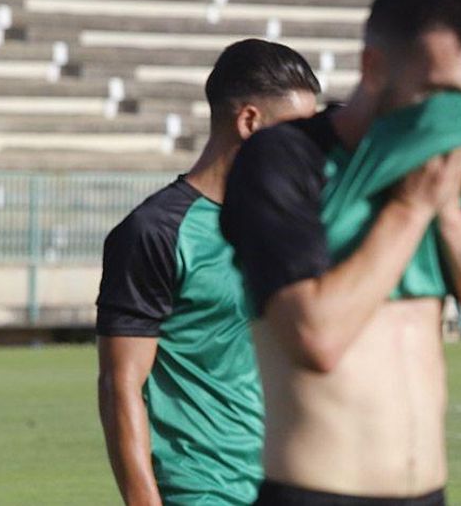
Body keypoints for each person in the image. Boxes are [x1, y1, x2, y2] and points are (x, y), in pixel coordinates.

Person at [219, 0, 461, 505]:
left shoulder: (447, 179)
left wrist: (449, 213)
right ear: (373, 68)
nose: (454, 120)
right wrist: (411, 209)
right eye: (438, 94)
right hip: (315, 493)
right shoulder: (283, 159)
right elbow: (315, 338)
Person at [96, 39, 320, 505]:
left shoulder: (290, 227)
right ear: (249, 122)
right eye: (295, 133)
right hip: (200, 492)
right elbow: (121, 385)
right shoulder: (154, 232)